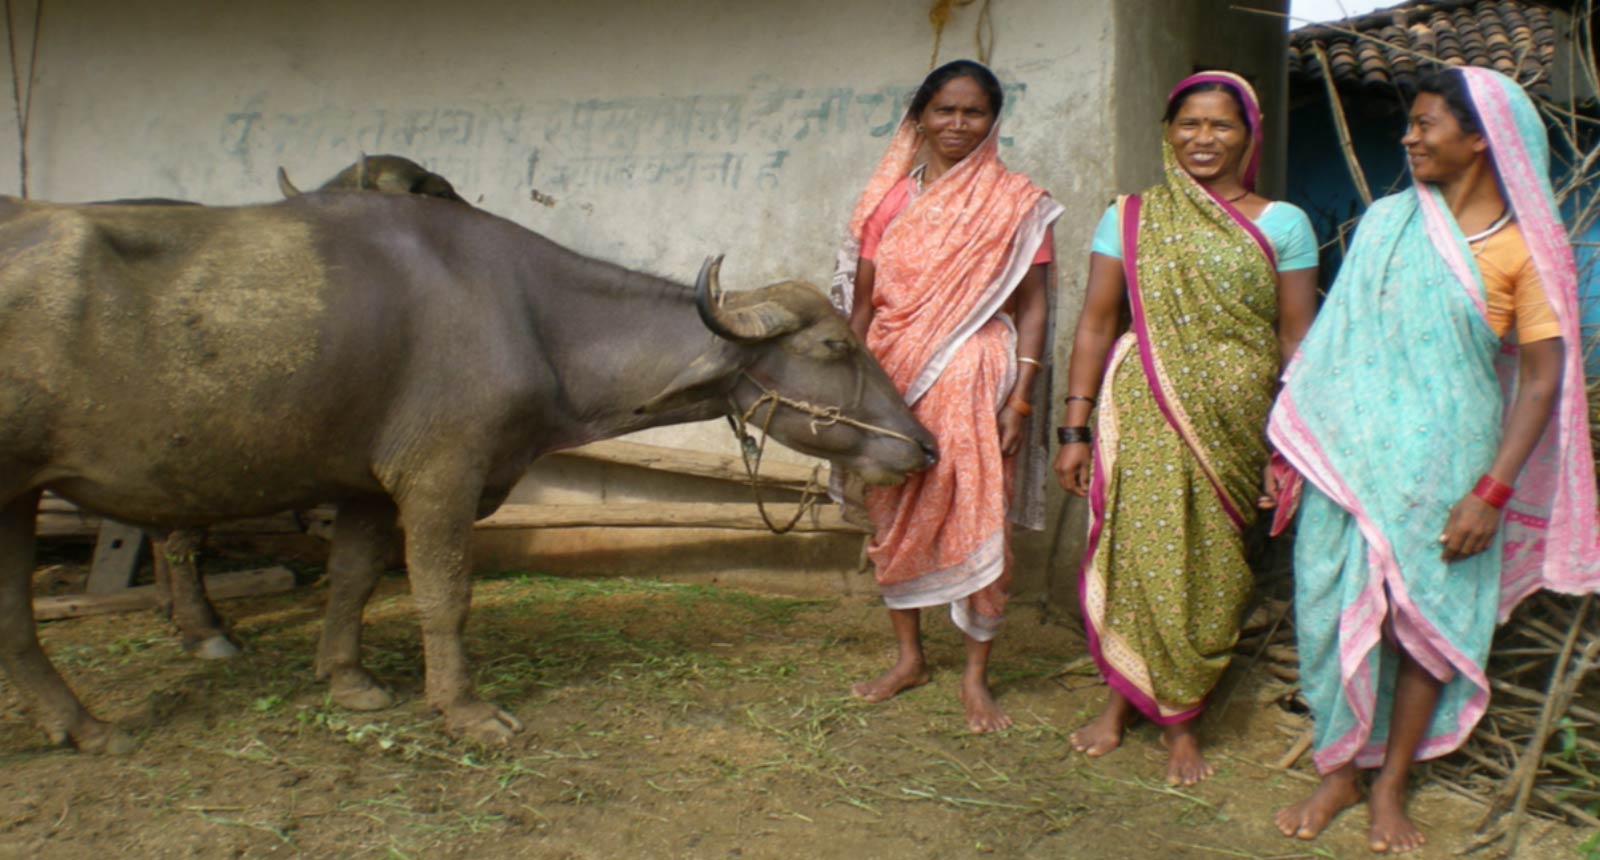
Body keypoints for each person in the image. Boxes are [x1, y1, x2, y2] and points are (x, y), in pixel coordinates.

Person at [1267, 67, 1600, 853]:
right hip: (1353, 460)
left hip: (1453, 466)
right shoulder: (1386, 224)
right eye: (1410, 125)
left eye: (1426, 124)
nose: (1410, 137)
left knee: (1427, 623)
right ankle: (1340, 771)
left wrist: (1491, 492)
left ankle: (1391, 786)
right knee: (1333, 605)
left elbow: (1544, 379)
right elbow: (1339, 344)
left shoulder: (1524, 254)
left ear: (1480, 137)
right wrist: (1305, 444)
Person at [1053, 71, 1319, 785]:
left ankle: (1184, 717)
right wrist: (1074, 426)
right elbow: (1097, 321)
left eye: (1222, 125)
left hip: (1238, 422)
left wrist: (1289, 438)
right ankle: (1122, 703)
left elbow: (1297, 338)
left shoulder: (1283, 223)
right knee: (1138, 553)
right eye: (1190, 125)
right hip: (1144, 407)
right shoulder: (1132, 215)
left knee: (1215, 568)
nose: (1204, 139)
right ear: (1169, 133)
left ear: (1249, 135)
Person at [830, 59, 1063, 733]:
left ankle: (975, 678)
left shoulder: (1016, 201)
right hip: (893, 380)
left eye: (974, 113)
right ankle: (908, 658)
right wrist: (855, 384)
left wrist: (1020, 400)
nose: (958, 124)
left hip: (979, 385)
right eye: (945, 111)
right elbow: (866, 303)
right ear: (921, 117)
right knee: (892, 516)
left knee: (978, 516)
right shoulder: (889, 202)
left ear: (994, 121)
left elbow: (1035, 306)